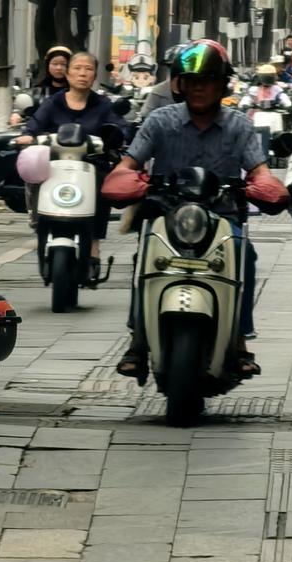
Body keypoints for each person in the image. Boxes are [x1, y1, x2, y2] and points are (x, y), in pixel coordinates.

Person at [112, 40, 279, 380]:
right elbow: (128, 164)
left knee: (244, 253)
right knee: (144, 254)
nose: (200, 87)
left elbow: (260, 172)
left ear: (223, 84)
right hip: (166, 215)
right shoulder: (159, 121)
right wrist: (123, 180)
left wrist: (268, 187)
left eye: (209, 80)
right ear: (180, 84)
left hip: (222, 218)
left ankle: (239, 340)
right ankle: (138, 341)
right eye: (192, 80)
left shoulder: (240, 126)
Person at [17, 50, 128, 276]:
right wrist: (27, 136)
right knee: (37, 175)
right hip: (56, 164)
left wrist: (119, 139)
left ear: (94, 75)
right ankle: (39, 221)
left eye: (88, 69)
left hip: (91, 164)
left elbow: (122, 128)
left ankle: (94, 247)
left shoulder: (103, 105)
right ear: (67, 74)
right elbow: (34, 126)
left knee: (103, 183)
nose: (82, 74)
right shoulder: (53, 103)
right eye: (77, 68)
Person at [10, 45, 70, 126]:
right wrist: (18, 116)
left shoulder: (76, 92)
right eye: (55, 63)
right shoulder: (38, 92)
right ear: (48, 65)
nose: (59, 68)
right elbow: (27, 111)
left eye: (63, 64)